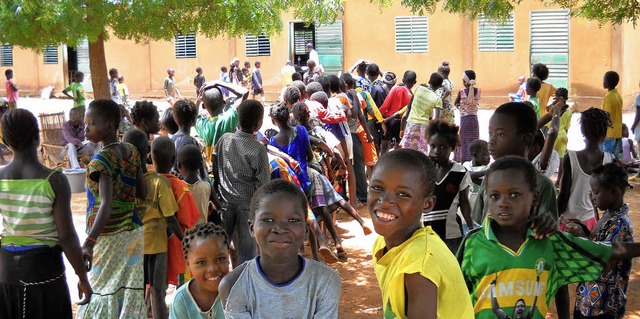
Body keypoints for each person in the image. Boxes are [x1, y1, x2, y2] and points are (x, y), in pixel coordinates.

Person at [458, 156, 640, 319]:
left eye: (514, 195)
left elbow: (611, 249)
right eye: (494, 196)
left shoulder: (550, 242)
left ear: (535, 198)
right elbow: (453, 295)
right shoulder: (472, 243)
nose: (503, 203)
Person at [0, 108, 92, 318]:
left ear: (5, 141)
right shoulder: (54, 180)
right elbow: (66, 237)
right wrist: (83, 278)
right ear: (37, 136)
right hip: (44, 272)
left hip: (7, 273)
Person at [367, 149, 474, 318]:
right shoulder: (382, 244)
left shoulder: (420, 264)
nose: (385, 201)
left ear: (427, 204)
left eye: (403, 194)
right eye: (377, 187)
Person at [219, 179, 342, 318]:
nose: (280, 229)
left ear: (306, 231)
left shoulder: (325, 281)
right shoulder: (233, 286)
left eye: (293, 220)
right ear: (252, 228)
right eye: (268, 220)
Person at [78, 99, 147, 318]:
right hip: (133, 232)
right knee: (127, 292)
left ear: (109, 124)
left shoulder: (101, 161)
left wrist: (89, 243)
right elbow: (142, 192)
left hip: (107, 236)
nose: (86, 128)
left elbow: (105, 204)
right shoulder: (133, 152)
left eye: (91, 123)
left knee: (100, 291)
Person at [125, 128, 182, 319]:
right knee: (158, 291)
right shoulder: (158, 182)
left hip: (132, 246)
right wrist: (185, 239)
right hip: (157, 246)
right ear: (147, 153)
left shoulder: (123, 183)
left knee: (137, 291)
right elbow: (170, 218)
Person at [471, 102, 558, 224]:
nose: (491, 141)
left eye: (500, 134)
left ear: (525, 139)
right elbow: (477, 224)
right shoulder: (492, 176)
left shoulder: (542, 185)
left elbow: (548, 235)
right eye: (491, 134)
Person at [574, 162, 633, 319]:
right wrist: (583, 230)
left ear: (613, 191)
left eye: (596, 192)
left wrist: (579, 240)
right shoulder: (609, 213)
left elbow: (602, 257)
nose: (592, 196)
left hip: (603, 303)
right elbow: (598, 239)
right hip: (590, 295)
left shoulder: (620, 224)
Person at [214, 100, 270, 264]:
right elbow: (264, 184)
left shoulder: (225, 139)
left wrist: (219, 184)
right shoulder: (258, 148)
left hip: (225, 202)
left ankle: (219, 285)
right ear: (258, 124)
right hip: (248, 205)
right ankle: (243, 286)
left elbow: (215, 159)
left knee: (219, 249)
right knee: (247, 253)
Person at [557, 108, 615, 231]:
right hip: (591, 223)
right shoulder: (610, 160)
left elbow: (563, 196)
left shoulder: (571, 157)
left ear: (582, 130)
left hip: (569, 224)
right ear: (604, 134)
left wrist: (553, 217)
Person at [152, 136, 199, 286]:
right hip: (176, 245)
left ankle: (150, 308)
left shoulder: (148, 182)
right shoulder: (180, 187)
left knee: (155, 284)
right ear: (174, 159)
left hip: (152, 244)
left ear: (151, 157)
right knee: (182, 284)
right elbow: (189, 219)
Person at [423, 120, 474, 252]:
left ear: (452, 147)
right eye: (433, 146)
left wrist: (471, 227)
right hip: (425, 233)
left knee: (452, 267)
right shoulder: (424, 170)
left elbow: (464, 203)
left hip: (452, 235)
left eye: (442, 147)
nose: (436, 151)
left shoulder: (460, 172)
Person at [170, 223, 229, 319]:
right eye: (201, 262)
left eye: (220, 259)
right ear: (188, 264)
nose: (212, 269)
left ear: (228, 255)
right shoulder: (181, 300)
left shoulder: (238, 291)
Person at [195, 80, 249, 162]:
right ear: (224, 102)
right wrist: (218, 82)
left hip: (212, 173)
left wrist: (198, 101)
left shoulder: (203, 125)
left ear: (205, 106)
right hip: (230, 171)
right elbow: (244, 92)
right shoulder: (228, 118)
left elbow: (194, 116)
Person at [399, 72, 443, 154]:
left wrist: (402, 129)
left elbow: (408, 109)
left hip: (411, 124)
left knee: (406, 153)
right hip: (424, 127)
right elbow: (436, 120)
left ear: (429, 81)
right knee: (421, 154)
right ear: (440, 86)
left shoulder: (418, 89)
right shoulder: (437, 99)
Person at [379, 70, 416, 155]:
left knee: (384, 147)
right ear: (415, 82)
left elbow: (385, 106)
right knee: (398, 147)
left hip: (389, 121)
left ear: (403, 80)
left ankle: (381, 161)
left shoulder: (396, 89)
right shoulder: (411, 94)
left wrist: (378, 118)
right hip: (401, 124)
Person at [178, 144, 217, 224]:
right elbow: (218, 206)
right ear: (201, 165)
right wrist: (209, 204)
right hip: (202, 232)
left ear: (179, 165)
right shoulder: (207, 186)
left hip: (185, 233)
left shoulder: (177, 187)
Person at [171, 99, 206, 179]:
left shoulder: (171, 140)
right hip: (190, 187)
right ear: (194, 120)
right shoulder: (192, 142)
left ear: (174, 118)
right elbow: (200, 170)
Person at [601, 71, 623, 159]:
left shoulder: (609, 97)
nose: (603, 82)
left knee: (607, 159)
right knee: (615, 159)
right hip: (618, 132)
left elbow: (606, 116)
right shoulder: (618, 96)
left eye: (604, 80)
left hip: (609, 133)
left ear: (608, 82)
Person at [463, 139, 490, 213]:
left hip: (483, 207)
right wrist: (487, 172)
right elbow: (469, 175)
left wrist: (470, 178)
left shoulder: (489, 167)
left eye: (489, 154)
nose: (489, 157)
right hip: (470, 207)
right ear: (474, 155)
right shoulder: (467, 164)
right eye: (486, 154)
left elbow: (488, 185)